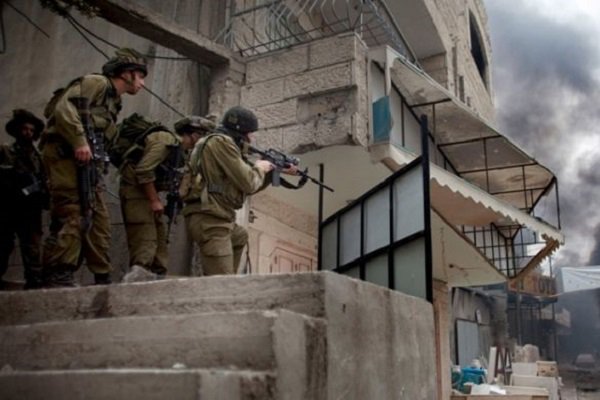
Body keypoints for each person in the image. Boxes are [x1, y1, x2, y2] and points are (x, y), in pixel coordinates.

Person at [40, 48, 148, 287]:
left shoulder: (114, 101)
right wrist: (79, 141)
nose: (142, 83)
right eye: (140, 76)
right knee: (73, 212)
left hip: (89, 166)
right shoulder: (97, 83)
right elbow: (64, 109)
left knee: (98, 220)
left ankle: (102, 276)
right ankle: (57, 273)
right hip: (65, 157)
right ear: (126, 73)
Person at [184, 106, 296, 276]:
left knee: (240, 236)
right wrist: (260, 167)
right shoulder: (221, 143)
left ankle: (227, 276)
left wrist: (272, 171)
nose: (252, 138)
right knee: (222, 284)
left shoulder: (223, 145)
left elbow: (246, 188)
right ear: (240, 132)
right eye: (250, 133)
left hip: (219, 217)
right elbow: (249, 182)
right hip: (210, 220)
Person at [117, 114, 207, 279]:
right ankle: (136, 283)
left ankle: (156, 279)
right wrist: (154, 200)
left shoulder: (181, 152)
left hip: (148, 194)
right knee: (145, 244)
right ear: (195, 135)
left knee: (160, 247)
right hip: (135, 193)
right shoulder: (165, 140)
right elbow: (143, 170)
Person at [0, 109, 47, 289]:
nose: (28, 133)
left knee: (32, 247)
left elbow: (44, 180)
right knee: (4, 244)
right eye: (25, 129)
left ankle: (34, 282)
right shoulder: (6, 151)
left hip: (30, 209)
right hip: (8, 206)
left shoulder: (38, 157)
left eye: (31, 130)